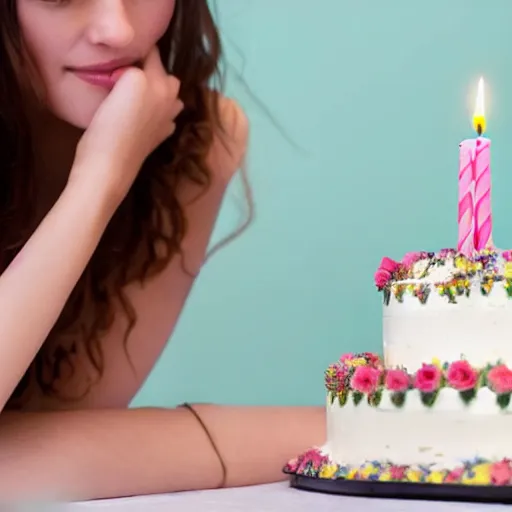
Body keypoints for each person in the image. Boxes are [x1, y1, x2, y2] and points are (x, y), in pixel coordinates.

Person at [0, 0, 325, 503]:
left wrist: (110, 171)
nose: (118, 28)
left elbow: (58, 438)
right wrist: (99, 180)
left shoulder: (191, 146)